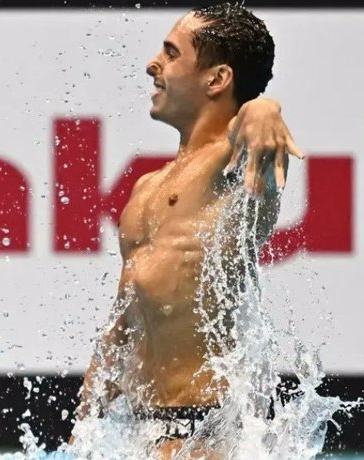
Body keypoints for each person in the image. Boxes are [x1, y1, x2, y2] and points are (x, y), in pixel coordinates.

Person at [70, 4, 302, 458]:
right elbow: (125, 316)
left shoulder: (233, 167)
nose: (152, 64)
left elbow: (255, 126)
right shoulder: (146, 187)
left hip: (208, 431)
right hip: (142, 431)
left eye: (171, 54)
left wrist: (262, 107)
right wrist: (84, 429)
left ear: (217, 79)